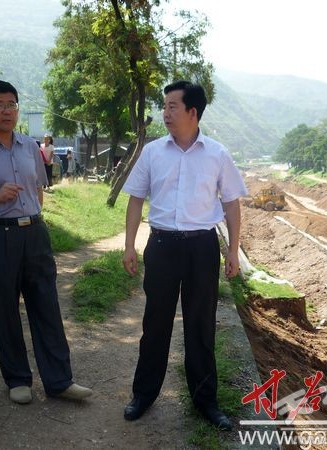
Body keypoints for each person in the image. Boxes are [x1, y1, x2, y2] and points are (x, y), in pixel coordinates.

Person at [0, 80, 92, 405]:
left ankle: (60, 381)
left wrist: (32, 219)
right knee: (5, 310)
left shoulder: (30, 146)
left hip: (35, 234)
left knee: (47, 306)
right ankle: (17, 379)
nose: (7, 111)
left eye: (12, 104)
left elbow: (38, 189)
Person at [121, 80, 248, 431]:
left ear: (193, 112)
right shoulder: (153, 152)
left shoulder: (217, 154)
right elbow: (135, 199)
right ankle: (143, 395)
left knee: (201, 325)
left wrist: (232, 251)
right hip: (162, 246)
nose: (165, 113)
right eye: (164, 106)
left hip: (201, 248)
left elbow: (232, 204)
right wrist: (129, 245)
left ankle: (206, 401)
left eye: (172, 106)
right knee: (155, 324)